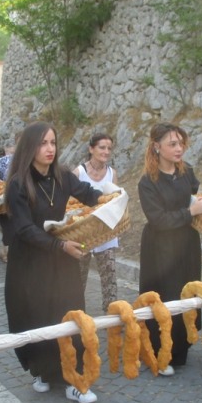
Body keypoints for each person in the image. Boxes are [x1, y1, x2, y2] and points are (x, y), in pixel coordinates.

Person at [4, 121, 105, 403]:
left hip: (61, 261)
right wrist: (60, 245)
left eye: (53, 143)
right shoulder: (17, 184)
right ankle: (42, 370)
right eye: (42, 143)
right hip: (30, 263)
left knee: (70, 314)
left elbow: (89, 194)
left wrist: (111, 200)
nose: (50, 149)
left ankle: (76, 380)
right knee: (36, 317)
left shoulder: (62, 176)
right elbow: (24, 229)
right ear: (30, 148)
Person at [138, 122, 202, 376]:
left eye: (181, 143)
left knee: (186, 293)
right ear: (157, 147)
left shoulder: (186, 171)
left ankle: (180, 348)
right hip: (160, 248)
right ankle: (159, 352)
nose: (179, 148)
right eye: (173, 144)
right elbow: (158, 220)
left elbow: (197, 194)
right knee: (165, 296)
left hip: (187, 245)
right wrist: (190, 212)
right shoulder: (147, 182)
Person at [72, 133, 118, 313]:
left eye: (109, 148)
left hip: (106, 234)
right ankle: (76, 313)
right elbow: (71, 204)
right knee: (79, 276)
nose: (106, 152)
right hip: (84, 234)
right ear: (91, 149)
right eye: (102, 147)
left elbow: (115, 200)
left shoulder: (112, 173)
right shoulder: (79, 172)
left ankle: (113, 313)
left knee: (110, 278)